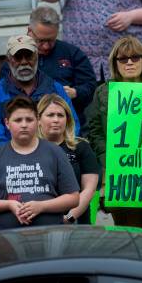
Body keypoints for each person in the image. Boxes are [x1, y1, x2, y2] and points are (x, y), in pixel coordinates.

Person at [85, 36, 142, 231]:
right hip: (121, 176)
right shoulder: (103, 93)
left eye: (135, 57)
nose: (130, 62)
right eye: (123, 59)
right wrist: (109, 161)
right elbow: (95, 133)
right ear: (115, 64)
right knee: (129, 237)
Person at [0, 96, 80, 231]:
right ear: (7, 123)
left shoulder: (55, 152)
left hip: (51, 236)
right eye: (18, 120)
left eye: (29, 119)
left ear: (37, 121)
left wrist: (42, 206)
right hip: (7, 239)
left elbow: (73, 198)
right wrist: (9, 204)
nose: (24, 124)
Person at [0, 6, 96, 133]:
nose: (45, 46)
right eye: (40, 41)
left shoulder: (72, 53)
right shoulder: (15, 60)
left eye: (51, 40)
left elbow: (90, 85)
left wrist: (76, 92)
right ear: (29, 31)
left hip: (66, 124)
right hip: (26, 128)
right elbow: (4, 98)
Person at [0, 35, 79, 151]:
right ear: (8, 60)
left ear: (37, 57)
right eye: (18, 57)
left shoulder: (55, 88)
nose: (24, 62)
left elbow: (72, 126)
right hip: (12, 162)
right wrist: (20, 156)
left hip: (53, 158)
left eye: (29, 56)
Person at [37, 94, 99, 225]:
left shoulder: (82, 147)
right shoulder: (29, 149)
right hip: (39, 221)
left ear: (67, 120)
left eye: (60, 115)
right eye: (50, 115)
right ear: (38, 120)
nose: (56, 120)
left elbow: (89, 189)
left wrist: (70, 217)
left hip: (76, 221)